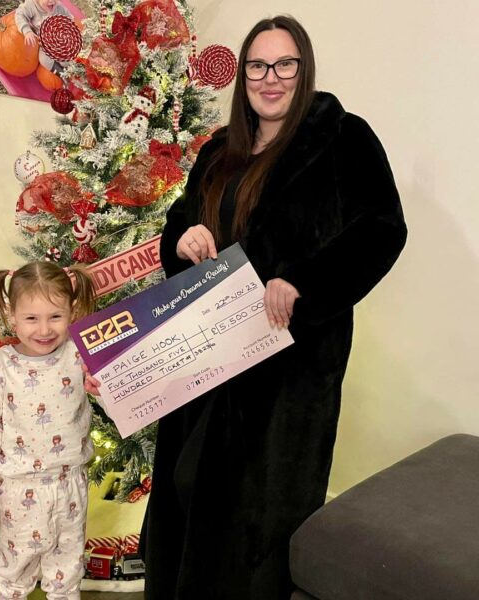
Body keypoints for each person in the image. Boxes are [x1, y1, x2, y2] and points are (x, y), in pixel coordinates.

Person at [140, 15, 408, 600]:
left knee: (256, 521)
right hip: (205, 351)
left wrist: (304, 283)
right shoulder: (220, 149)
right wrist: (181, 238)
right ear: (243, 75)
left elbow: (383, 229)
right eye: (257, 66)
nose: (270, 78)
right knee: (187, 495)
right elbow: (182, 217)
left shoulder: (343, 138)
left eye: (284, 64)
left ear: (303, 69)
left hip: (286, 366)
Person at [0, 261, 99, 600]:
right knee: (13, 580)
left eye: (55, 316)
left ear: (72, 311)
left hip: (71, 487)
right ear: (11, 316)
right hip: (18, 491)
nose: (44, 329)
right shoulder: (0, 366)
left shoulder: (80, 355)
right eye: (31, 318)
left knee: (67, 578)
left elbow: (116, 404)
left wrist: (102, 387)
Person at [15, 0, 75, 74]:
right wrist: (27, 31)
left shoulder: (59, 7)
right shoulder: (31, 5)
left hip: (60, 39)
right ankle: (61, 73)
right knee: (44, 60)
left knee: (67, 60)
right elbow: (20, 14)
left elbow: (69, 18)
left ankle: (72, 69)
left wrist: (68, 29)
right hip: (44, 41)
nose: (52, 1)